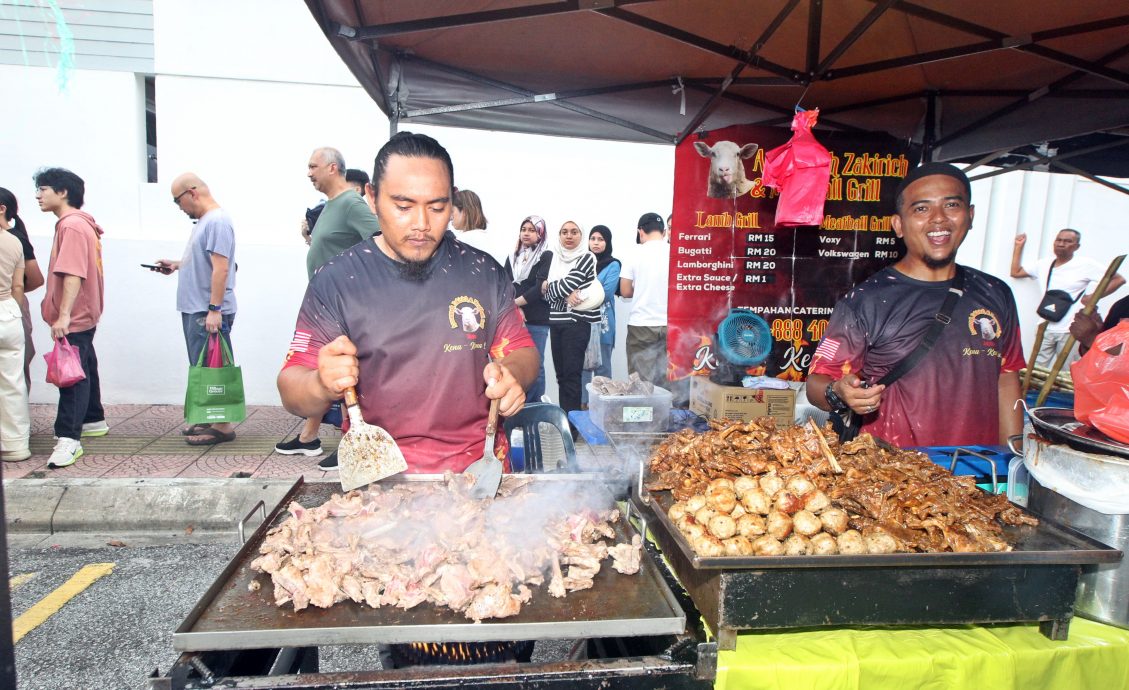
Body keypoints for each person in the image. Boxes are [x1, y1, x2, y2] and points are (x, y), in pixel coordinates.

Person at [277, 131, 538, 472]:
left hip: (477, 469)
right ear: (371, 197)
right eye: (402, 206)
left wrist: (511, 375)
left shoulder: (482, 272)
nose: (421, 224)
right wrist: (320, 383)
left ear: (453, 201)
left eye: (437, 207)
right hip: (378, 473)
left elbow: (523, 352)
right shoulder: (338, 280)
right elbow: (291, 386)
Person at [807, 162, 1025, 447]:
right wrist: (840, 392)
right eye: (921, 209)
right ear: (898, 225)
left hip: (979, 472)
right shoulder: (865, 301)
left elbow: (1007, 379)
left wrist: (1013, 460)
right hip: (895, 475)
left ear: (970, 216)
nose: (938, 219)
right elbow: (817, 384)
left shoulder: (996, 293)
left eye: (951, 205)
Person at [277, 148, 382, 466]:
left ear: (333, 168)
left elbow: (379, 239)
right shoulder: (332, 206)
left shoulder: (351, 203)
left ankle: (354, 442)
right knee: (322, 373)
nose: (308, 172)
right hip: (324, 307)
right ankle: (309, 437)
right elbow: (338, 246)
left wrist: (355, 286)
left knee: (350, 374)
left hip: (347, 307)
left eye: (313, 166)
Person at [152, 173, 238, 446]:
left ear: (192, 192)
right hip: (198, 307)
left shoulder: (217, 221)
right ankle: (211, 417)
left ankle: (223, 426)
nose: (179, 207)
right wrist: (178, 265)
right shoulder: (205, 222)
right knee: (203, 367)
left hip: (206, 309)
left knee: (214, 368)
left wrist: (215, 308)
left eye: (178, 201)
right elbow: (206, 261)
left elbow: (222, 267)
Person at [34, 167, 107, 468]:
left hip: (75, 314)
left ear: (63, 193)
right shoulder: (77, 224)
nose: (38, 195)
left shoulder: (72, 226)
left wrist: (63, 315)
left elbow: (73, 273)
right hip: (84, 312)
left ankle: (69, 439)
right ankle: (92, 419)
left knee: (71, 374)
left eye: (44, 189)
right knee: (84, 362)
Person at [1011, 228, 1125, 368]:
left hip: (1070, 329)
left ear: (1076, 247)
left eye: (1067, 241)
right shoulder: (1043, 264)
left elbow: (1118, 279)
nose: (1061, 244)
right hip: (1045, 325)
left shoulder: (1085, 265)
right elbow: (1016, 272)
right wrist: (1018, 246)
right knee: (1035, 370)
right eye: (1058, 240)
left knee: (1068, 369)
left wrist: (1093, 297)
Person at [544, 220, 601, 433]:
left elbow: (567, 283)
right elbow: (547, 294)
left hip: (577, 323)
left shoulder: (587, 257)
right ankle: (563, 424)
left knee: (571, 375)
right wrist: (555, 291)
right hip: (556, 322)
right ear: (559, 235)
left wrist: (552, 289)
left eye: (574, 232)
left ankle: (572, 428)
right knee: (560, 377)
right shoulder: (554, 258)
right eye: (564, 232)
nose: (569, 236)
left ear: (581, 235)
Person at [620, 212, 673, 392]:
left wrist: (641, 288)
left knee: (640, 383)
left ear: (640, 232)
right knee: (667, 379)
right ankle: (665, 418)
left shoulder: (634, 254)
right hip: (670, 324)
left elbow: (625, 290)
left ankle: (642, 419)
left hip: (641, 325)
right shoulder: (675, 253)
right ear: (664, 232)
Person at [0, 188, 45, 390]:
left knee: (16, 365)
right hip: (10, 304)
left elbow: (36, 279)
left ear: (2, 209)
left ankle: (19, 417)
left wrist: (7, 292)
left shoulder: (15, 239)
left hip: (12, 306)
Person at [505, 215, 552, 402]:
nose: (526, 233)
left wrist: (515, 304)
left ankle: (535, 406)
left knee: (537, 365)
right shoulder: (512, 256)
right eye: (524, 229)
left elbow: (539, 288)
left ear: (540, 234)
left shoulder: (546, 255)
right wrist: (515, 308)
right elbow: (505, 284)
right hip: (515, 319)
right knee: (517, 363)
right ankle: (519, 405)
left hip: (538, 319)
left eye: (532, 230)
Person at [0, 196, 29, 461]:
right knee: (12, 382)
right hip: (8, 311)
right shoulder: (14, 241)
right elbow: (18, 286)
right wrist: (15, 312)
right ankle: (16, 445)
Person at [580, 225, 621, 407]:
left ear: (608, 242)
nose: (595, 243)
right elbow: (571, 287)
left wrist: (581, 295)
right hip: (581, 323)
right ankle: (582, 406)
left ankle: (603, 407)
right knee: (582, 368)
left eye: (600, 239)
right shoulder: (581, 262)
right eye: (593, 238)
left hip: (603, 324)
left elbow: (606, 292)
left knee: (603, 368)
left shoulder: (613, 264)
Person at [451, 189, 508, 265]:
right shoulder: (490, 240)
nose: (450, 217)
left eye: (452, 211)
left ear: (464, 212)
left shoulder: (462, 241)